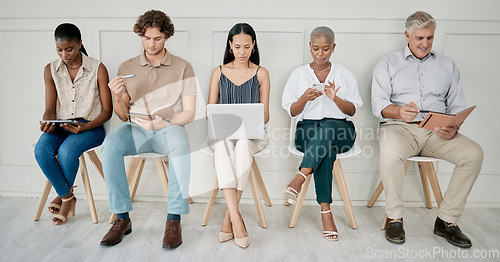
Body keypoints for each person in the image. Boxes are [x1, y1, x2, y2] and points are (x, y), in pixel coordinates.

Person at [371, 11, 483, 248]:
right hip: (400, 128)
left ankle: (447, 221)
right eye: (420, 38)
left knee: (473, 154)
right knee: (390, 153)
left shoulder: (447, 65)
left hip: (437, 131)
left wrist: (455, 126)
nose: (425, 43)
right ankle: (395, 218)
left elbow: (456, 105)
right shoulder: (388, 63)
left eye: (429, 38)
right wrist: (399, 111)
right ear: (407, 35)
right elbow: (378, 105)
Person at [99, 10, 197, 249]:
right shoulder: (127, 66)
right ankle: (122, 218)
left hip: (168, 128)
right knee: (110, 144)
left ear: (166, 37)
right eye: (146, 38)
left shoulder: (183, 67)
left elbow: (189, 113)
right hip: (136, 129)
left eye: (157, 39)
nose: (151, 44)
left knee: (181, 146)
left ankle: (174, 219)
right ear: (140, 36)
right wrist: (117, 94)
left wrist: (165, 123)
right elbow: (123, 115)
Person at [281, 26, 363, 241]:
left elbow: (352, 111)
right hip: (307, 130)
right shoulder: (298, 75)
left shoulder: (344, 74)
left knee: (328, 128)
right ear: (309, 47)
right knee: (325, 150)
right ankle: (326, 213)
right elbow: (292, 111)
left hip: (341, 130)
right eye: (316, 48)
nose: (320, 53)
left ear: (333, 48)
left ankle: (300, 176)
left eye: (325, 49)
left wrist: (335, 98)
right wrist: (304, 99)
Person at [34, 23, 112, 225]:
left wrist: (86, 127)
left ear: (79, 44)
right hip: (61, 125)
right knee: (42, 149)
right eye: (59, 50)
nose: (64, 55)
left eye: (69, 49)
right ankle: (68, 196)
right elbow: (50, 108)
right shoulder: (50, 70)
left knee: (68, 150)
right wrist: (47, 122)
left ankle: (63, 201)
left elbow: (107, 111)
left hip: (91, 126)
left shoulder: (98, 68)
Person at [207, 23, 270, 248]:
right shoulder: (219, 72)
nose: (242, 52)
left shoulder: (261, 73)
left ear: (253, 46)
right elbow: (210, 110)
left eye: (246, 46)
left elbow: (266, 115)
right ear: (230, 46)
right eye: (237, 47)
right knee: (225, 144)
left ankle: (229, 218)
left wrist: (248, 121)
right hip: (223, 133)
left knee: (243, 144)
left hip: (253, 134)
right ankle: (236, 218)